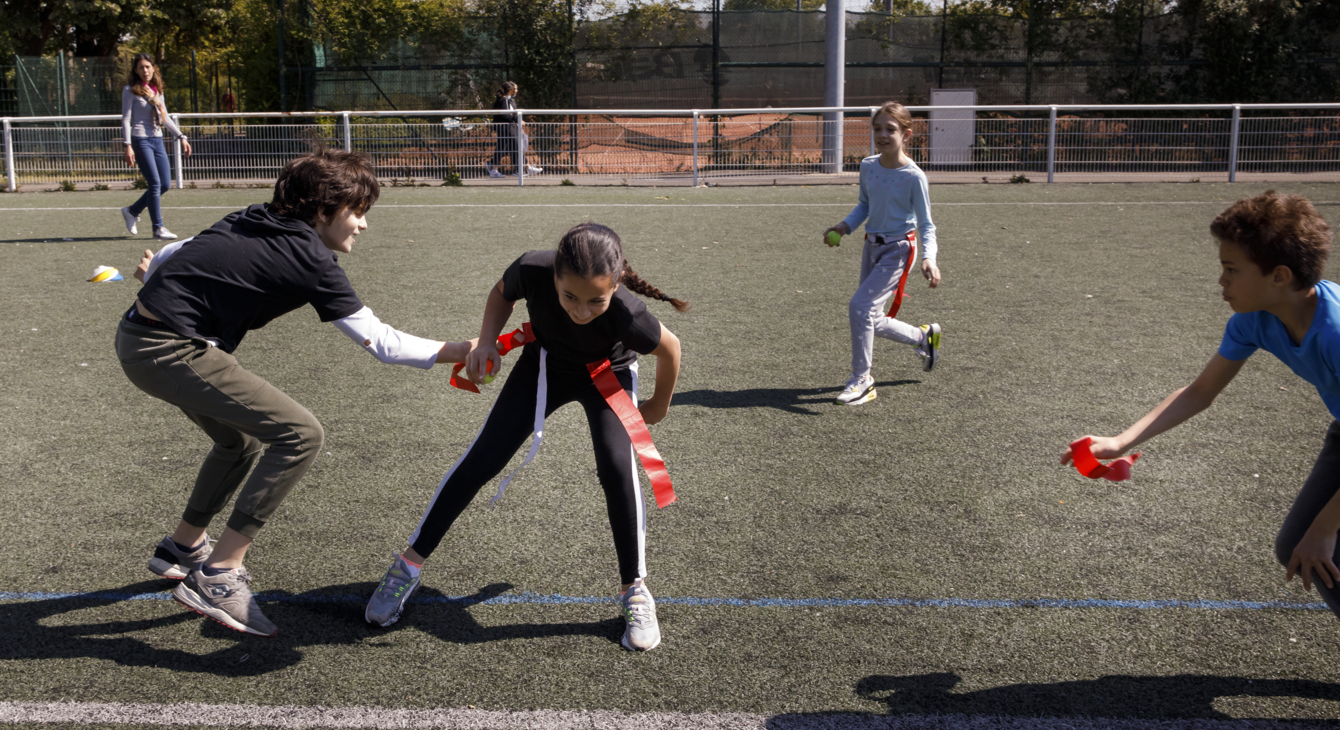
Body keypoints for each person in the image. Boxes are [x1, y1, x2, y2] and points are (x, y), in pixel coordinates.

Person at [117, 143, 474, 637]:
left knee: (237, 442)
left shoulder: (254, 216)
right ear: (325, 210)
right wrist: (465, 349)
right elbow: (384, 344)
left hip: (141, 336)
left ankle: (181, 547)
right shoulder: (311, 258)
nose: (363, 224)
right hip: (169, 350)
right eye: (358, 212)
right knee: (300, 433)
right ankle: (219, 574)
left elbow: (182, 250)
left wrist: (151, 273)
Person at [365, 223, 686, 652]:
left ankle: (635, 588)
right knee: (484, 457)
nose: (581, 310)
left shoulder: (629, 313)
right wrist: (485, 342)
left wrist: (659, 404)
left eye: (596, 300)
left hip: (605, 376)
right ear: (554, 275)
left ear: (616, 285)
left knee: (617, 468)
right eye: (569, 296)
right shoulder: (533, 267)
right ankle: (408, 565)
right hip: (545, 364)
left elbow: (671, 348)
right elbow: (501, 294)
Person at [1063, 191, 1340, 617]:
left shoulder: (1335, 332)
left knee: (1319, 541)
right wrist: (1120, 442)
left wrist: (1326, 527)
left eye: (1231, 270)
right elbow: (1200, 392)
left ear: (1279, 276)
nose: (1221, 281)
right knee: (1296, 545)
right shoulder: (1254, 320)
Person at [823, 101, 943, 407]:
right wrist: (845, 226)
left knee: (859, 307)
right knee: (870, 317)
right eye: (877, 128)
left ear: (906, 134)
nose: (883, 134)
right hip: (871, 246)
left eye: (890, 129)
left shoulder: (914, 176)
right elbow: (864, 204)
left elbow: (926, 224)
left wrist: (929, 257)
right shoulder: (868, 166)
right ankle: (922, 338)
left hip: (899, 249)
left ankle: (862, 379)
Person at [120, 53, 192, 241]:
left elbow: (165, 118)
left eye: (148, 67)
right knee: (154, 183)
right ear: (135, 70)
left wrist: (181, 136)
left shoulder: (157, 92)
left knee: (165, 184)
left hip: (157, 140)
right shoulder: (130, 90)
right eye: (141, 67)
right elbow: (126, 120)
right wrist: (128, 145)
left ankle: (132, 211)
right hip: (140, 140)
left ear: (153, 68)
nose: (145, 70)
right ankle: (158, 227)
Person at [485, 81, 542, 178]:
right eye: (515, 89)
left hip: (511, 127)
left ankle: (494, 166)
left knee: (508, 147)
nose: (517, 90)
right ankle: (524, 168)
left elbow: (513, 114)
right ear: (511, 90)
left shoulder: (510, 100)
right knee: (514, 145)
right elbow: (505, 115)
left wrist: (517, 122)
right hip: (505, 128)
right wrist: (517, 119)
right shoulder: (503, 100)